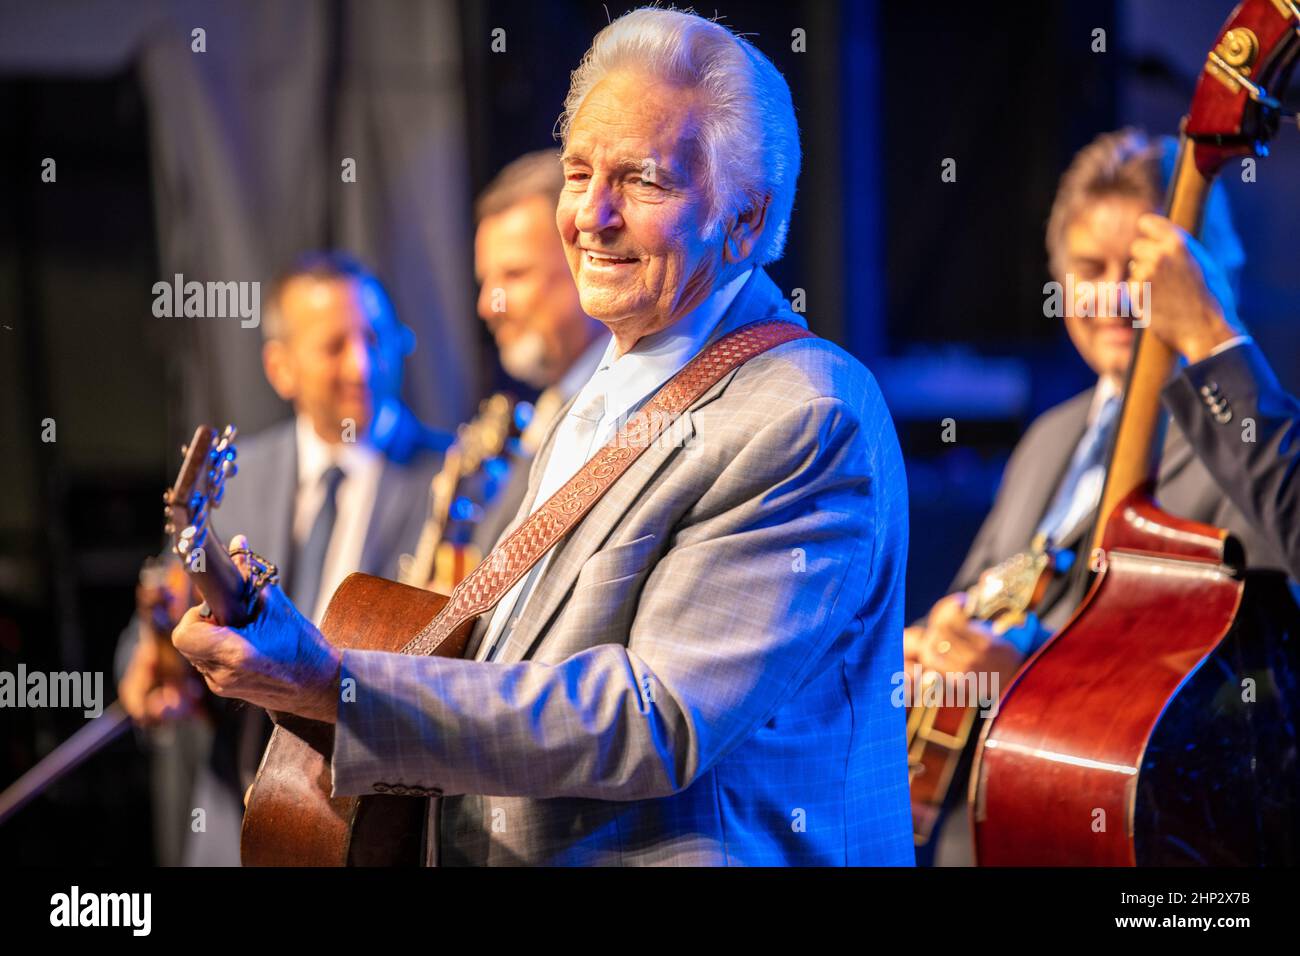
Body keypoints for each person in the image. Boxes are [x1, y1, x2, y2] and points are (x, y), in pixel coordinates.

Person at [172, 7, 914, 866]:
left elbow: (648, 720)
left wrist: (332, 684)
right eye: (578, 171)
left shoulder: (805, 413)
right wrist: (296, 660)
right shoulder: (604, 386)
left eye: (643, 181)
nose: (591, 217)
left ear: (746, 221)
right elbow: (520, 664)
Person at [906, 128, 1298, 865]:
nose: (1115, 295)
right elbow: (984, 592)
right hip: (982, 831)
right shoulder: (1049, 438)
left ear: (1201, 274)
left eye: (1140, 267)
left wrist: (1024, 685)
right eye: (1091, 268)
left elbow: (1245, 710)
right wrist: (935, 647)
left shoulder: (1245, 440)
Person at [117, 252, 445, 865]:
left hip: (360, 834)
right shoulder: (236, 479)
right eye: (334, 346)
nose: (363, 364)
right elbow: (157, 618)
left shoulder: (454, 480)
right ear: (281, 367)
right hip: (229, 828)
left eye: (375, 337)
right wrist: (149, 660)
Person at [465, 149, 608, 554]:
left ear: (588, 261)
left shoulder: (631, 413)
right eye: (485, 280)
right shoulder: (546, 412)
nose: (488, 306)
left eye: (514, 274)